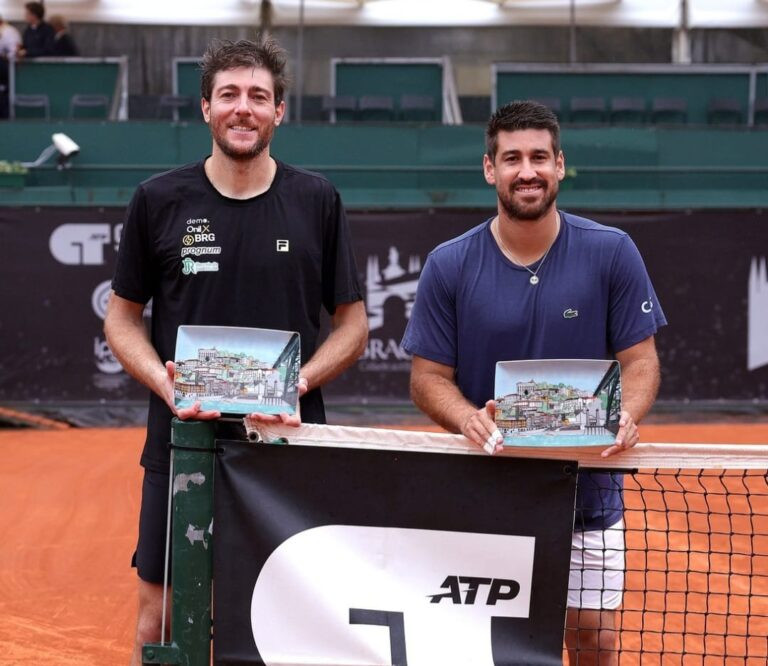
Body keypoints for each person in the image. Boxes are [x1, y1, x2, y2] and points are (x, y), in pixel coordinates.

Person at [104, 38, 368, 665]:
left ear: (280, 110)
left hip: (287, 448)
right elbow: (122, 318)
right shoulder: (158, 200)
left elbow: (353, 326)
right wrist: (166, 384)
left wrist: (298, 383)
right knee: (160, 622)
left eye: (257, 96)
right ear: (206, 108)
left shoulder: (317, 200)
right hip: (183, 443)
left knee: (285, 622)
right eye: (228, 95)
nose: (242, 108)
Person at [401, 100, 666, 666]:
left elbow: (641, 362)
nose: (528, 171)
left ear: (560, 165)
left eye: (540, 157)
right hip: (485, 496)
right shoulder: (449, 264)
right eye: (512, 158)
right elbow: (427, 379)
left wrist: (626, 412)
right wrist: (467, 417)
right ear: (489, 168)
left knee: (594, 642)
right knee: (489, 647)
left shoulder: (612, 251)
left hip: (589, 495)